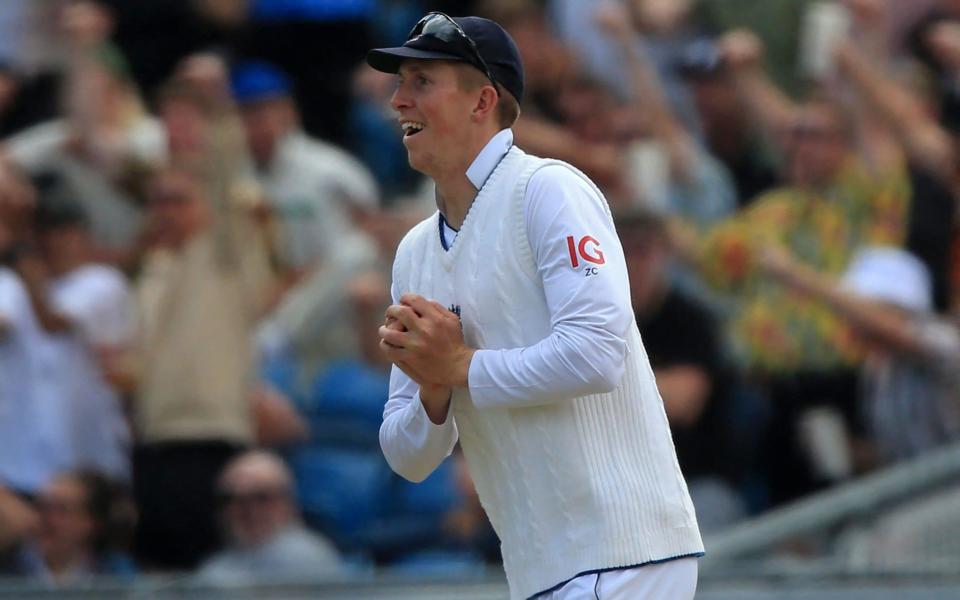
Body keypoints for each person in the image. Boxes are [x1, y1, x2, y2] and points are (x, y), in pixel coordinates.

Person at [367, 13, 703, 600]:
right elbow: (408, 455)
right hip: (541, 568)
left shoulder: (551, 190)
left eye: (421, 81)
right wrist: (435, 389)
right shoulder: (414, 251)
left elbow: (597, 356)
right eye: (401, 82)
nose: (398, 100)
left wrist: (460, 367)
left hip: (623, 554)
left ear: (483, 101)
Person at [196, 450, 342, 585]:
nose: (246, 509)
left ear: (287, 502)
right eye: (230, 499)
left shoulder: (310, 559)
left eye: (261, 497)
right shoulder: (214, 570)